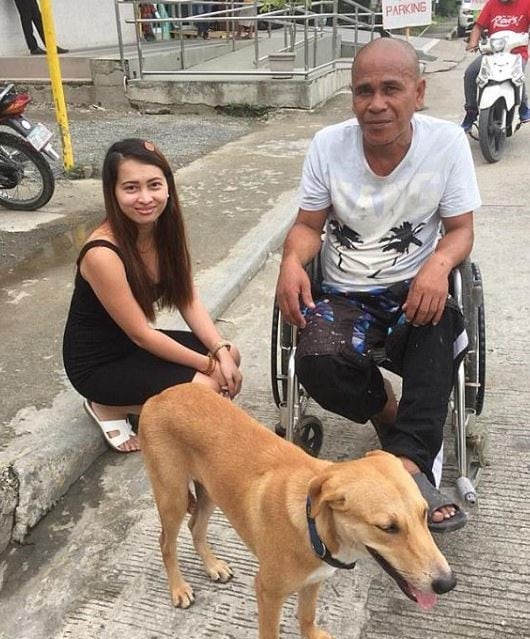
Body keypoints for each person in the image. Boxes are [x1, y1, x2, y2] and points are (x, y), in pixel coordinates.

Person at [275, 37, 481, 533]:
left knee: (438, 331)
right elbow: (308, 226)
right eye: (363, 91)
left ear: (419, 91)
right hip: (344, 294)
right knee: (316, 362)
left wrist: (437, 266)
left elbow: (461, 231)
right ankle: (389, 414)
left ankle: (409, 468)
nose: (377, 104)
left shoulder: (446, 144)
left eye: (392, 88)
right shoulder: (329, 145)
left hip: (414, 289)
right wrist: (290, 261)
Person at [62, 139, 242, 453]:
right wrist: (209, 366)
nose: (145, 198)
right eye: (131, 188)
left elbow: (188, 299)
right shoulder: (102, 253)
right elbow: (143, 335)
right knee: (209, 388)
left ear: (168, 187)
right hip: (98, 365)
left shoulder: (163, 230)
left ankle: (147, 406)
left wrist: (220, 352)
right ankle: (107, 405)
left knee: (232, 355)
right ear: (113, 192)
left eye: (154, 185)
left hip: (131, 348)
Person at [461, 0, 530, 131]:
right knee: (470, 73)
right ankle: (471, 111)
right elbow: (478, 26)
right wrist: (473, 42)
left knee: (518, 72)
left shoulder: (526, 3)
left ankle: (523, 107)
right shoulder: (492, 4)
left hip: (516, 53)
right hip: (493, 52)